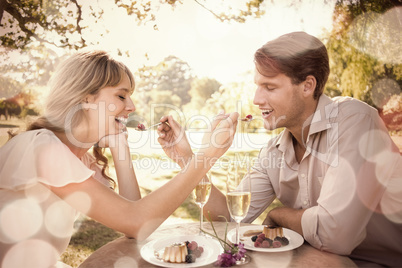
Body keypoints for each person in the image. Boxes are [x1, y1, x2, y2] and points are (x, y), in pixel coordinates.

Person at [0, 50, 239, 267]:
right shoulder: (42, 147)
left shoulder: (81, 160)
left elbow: (136, 229)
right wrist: (207, 156)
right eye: (122, 96)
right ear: (86, 98)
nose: (132, 106)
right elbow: (135, 221)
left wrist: (119, 144)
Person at [204, 31, 402, 267]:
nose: (256, 99)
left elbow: (335, 235)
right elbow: (226, 218)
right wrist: (193, 158)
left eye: (269, 87)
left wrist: (280, 215)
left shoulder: (355, 121)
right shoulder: (273, 152)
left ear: (307, 86)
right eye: (258, 86)